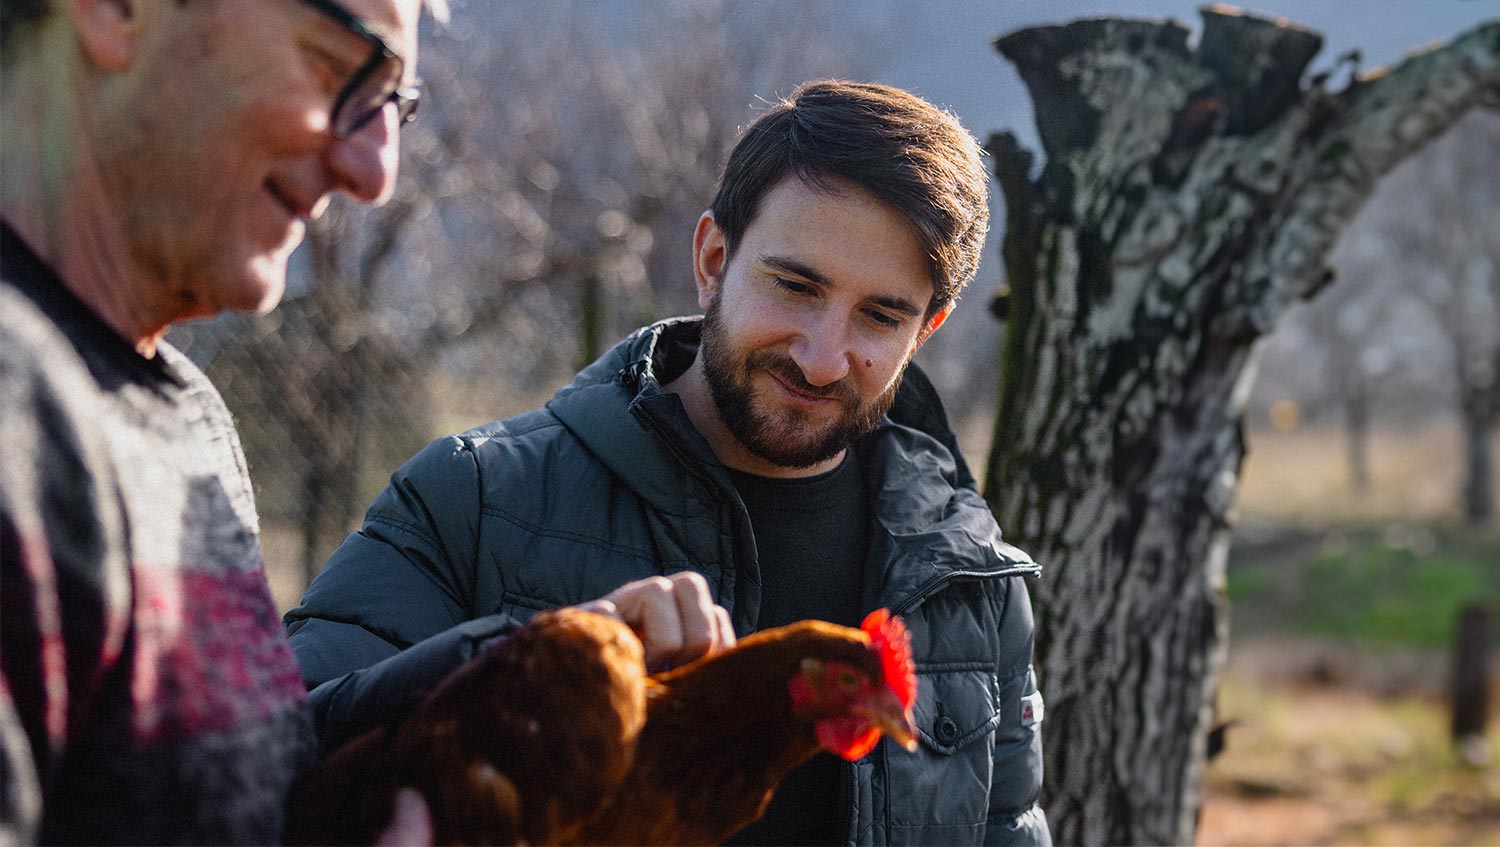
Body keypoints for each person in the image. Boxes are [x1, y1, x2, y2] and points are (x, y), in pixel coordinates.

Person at [0, 0, 730, 842]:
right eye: (336, 64)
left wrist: (529, 664)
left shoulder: (183, 416)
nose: (376, 170)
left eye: (394, 102)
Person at [287, 80, 1050, 845]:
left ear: (926, 331)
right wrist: (533, 658)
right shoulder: (475, 498)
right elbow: (271, 752)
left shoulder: (969, 583)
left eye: (881, 315)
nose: (822, 358)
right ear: (715, 259)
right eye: (794, 285)